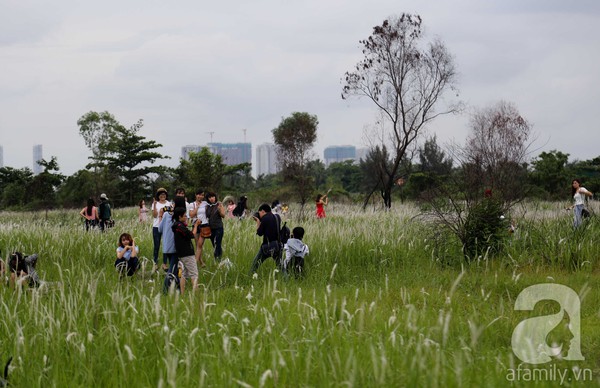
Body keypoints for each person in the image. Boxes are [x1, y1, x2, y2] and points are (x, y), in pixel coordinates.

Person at [249, 204, 283, 274]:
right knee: (281, 267)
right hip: (277, 245)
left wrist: (258, 222)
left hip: (267, 246)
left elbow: (259, 233)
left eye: (259, 213)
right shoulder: (277, 217)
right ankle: (286, 280)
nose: (259, 215)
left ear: (263, 211)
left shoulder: (265, 218)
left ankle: (250, 276)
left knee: (255, 264)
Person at [172, 207, 199, 293]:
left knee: (184, 273)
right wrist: (196, 225)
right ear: (179, 217)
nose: (186, 217)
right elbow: (191, 235)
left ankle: (182, 293)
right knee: (194, 273)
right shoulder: (180, 226)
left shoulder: (176, 225)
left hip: (181, 254)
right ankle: (196, 294)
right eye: (184, 216)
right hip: (187, 253)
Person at [152, 188, 171, 271]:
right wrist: (155, 205)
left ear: (166, 195)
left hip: (166, 227)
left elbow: (171, 214)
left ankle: (164, 263)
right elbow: (154, 216)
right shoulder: (155, 204)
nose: (162, 196)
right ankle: (155, 263)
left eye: (164, 194)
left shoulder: (169, 203)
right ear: (158, 196)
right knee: (157, 245)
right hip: (156, 226)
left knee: (166, 245)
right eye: (161, 194)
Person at [189, 189, 208, 268]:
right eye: (199, 195)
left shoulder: (205, 204)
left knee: (200, 244)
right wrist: (197, 207)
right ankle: (200, 262)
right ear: (196, 195)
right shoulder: (192, 204)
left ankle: (196, 262)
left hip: (204, 225)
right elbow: (191, 215)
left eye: (202, 195)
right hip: (196, 225)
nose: (200, 196)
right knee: (197, 245)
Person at [206, 192, 225, 263]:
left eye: (213, 197)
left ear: (215, 197)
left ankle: (217, 259)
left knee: (218, 244)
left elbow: (223, 215)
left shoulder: (219, 205)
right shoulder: (207, 206)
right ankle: (218, 259)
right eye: (210, 197)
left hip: (218, 228)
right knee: (214, 244)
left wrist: (220, 210)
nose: (211, 198)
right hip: (211, 228)